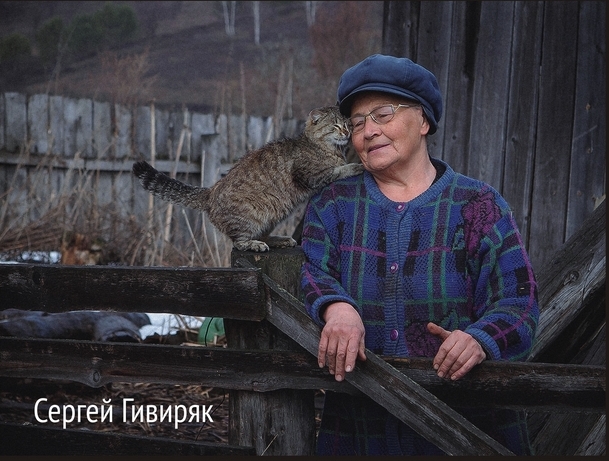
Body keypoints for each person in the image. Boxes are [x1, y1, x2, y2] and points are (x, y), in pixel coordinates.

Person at [300, 54, 539, 456]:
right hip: (360, 434)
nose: (368, 131)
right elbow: (311, 270)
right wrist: (336, 307)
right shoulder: (333, 204)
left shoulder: (477, 204)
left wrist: (480, 340)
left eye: (383, 114)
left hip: (464, 434)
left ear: (424, 121)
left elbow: (520, 302)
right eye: (357, 123)